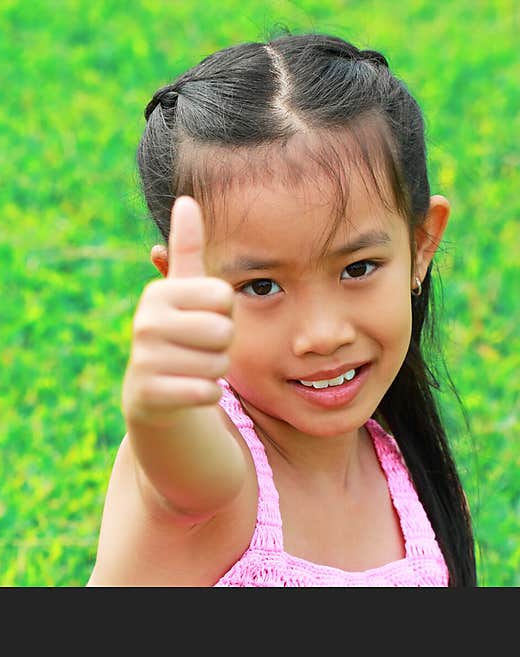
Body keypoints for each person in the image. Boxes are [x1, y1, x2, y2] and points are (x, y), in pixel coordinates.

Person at [87, 31, 476, 586]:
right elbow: (181, 465)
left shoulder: (413, 478)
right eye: (262, 286)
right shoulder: (220, 474)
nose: (321, 334)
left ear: (420, 246)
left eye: (358, 268)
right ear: (184, 285)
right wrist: (161, 407)